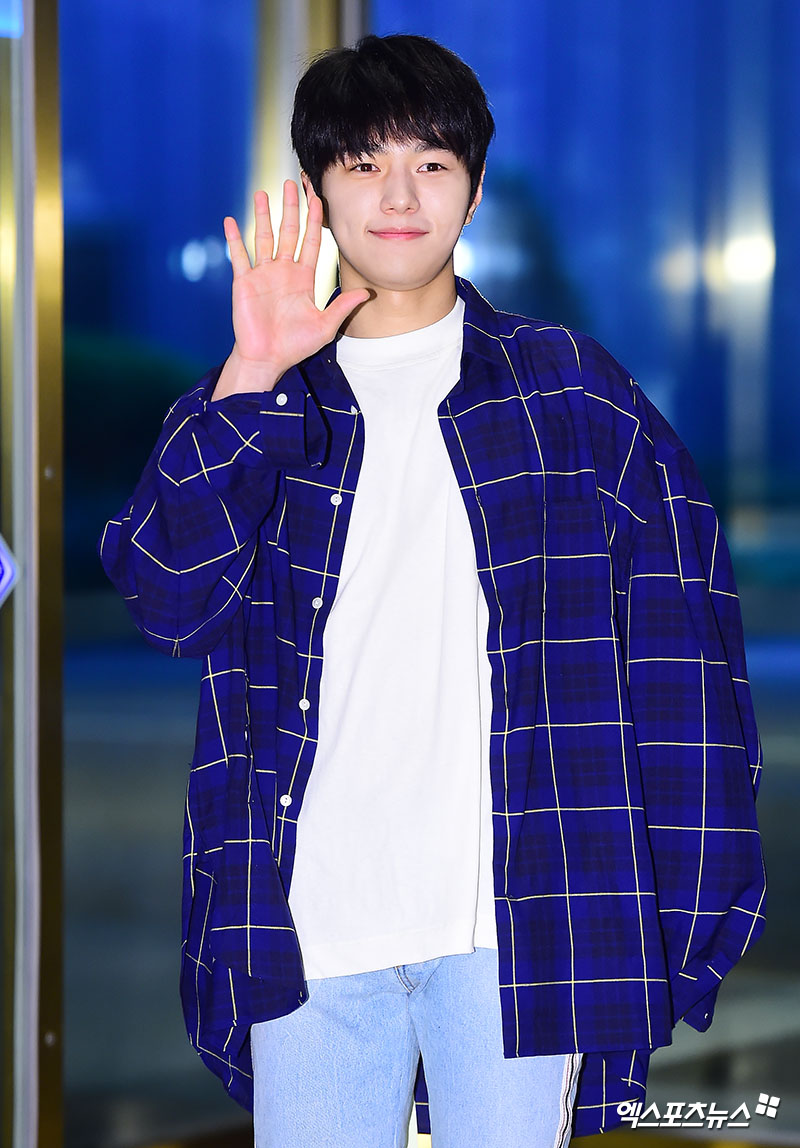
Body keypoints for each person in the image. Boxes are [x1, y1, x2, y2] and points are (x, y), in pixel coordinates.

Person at [99, 32, 767, 1148]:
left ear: (473, 187)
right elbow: (166, 600)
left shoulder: (572, 393)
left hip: (519, 928)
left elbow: (686, 657)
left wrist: (682, 904)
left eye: (431, 162)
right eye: (363, 164)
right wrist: (252, 375)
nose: (399, 196)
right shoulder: (258, 401)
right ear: (318, 189)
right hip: (305, 924)